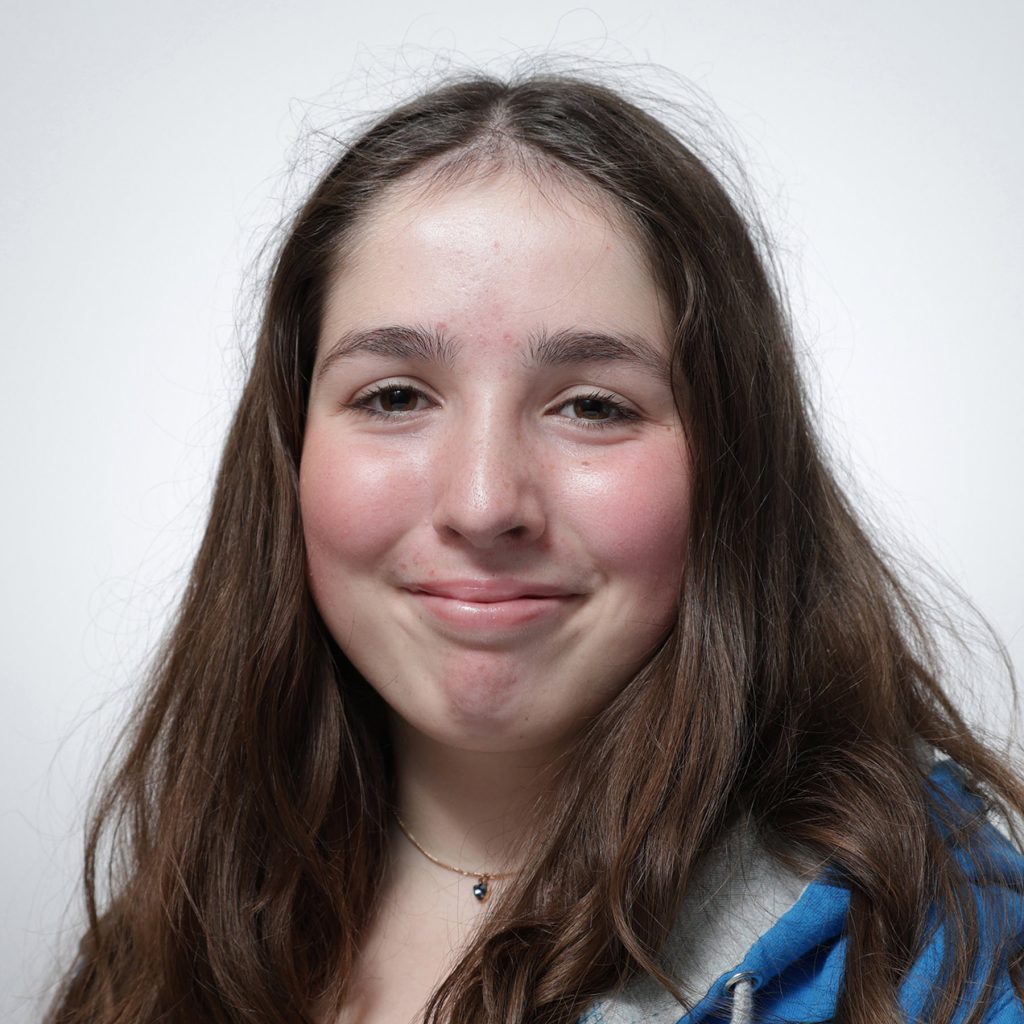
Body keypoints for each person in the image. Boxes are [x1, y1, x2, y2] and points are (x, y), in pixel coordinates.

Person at [48, 70, 1024, 1024]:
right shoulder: (176, 929)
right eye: (395, 395)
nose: (483, 503)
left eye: (592, 406)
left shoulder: (942, 969)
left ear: (735, 463)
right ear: (290, 452)